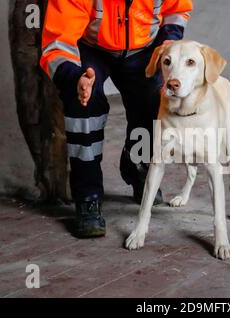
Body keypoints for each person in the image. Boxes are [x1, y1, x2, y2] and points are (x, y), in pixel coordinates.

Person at [40, 0, 193, 238]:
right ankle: (87, 196)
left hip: (145, 49)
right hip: (91, 49)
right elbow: (56, 44)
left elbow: (177, 9)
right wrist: (74, 78)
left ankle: (137, 164)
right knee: (84, 104)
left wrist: (168, 41)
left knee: (155, 103)